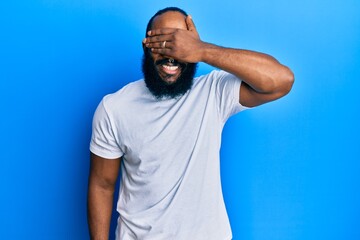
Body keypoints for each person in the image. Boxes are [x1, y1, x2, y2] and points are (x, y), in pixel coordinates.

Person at [87, 7, 294, 240]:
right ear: (146, 45)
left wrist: (203, 50)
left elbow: (281, 81)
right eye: (163, 41)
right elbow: (102, 185)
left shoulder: (213, 92)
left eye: (180, 44)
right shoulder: (114, 108)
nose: (172, 53)